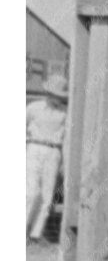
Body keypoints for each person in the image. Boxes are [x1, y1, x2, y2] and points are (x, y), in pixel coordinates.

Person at [27, 68, 67, 241]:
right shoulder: (33, 108)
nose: (55, 98)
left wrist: (64, 161)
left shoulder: (65, 113)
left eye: (59, 95)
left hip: (54, 152)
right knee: (30, 192)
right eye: (52, 93)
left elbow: (66, 138)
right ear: (47, 92)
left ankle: (36, 234)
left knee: (47, 195)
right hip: (34, 148)